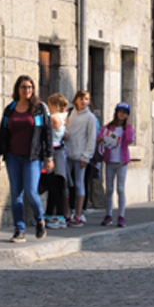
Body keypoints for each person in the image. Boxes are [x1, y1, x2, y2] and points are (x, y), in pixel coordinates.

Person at [0, 75, 54, 242]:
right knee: (16, 194)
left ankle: (40, 219)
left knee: (31, 191)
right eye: (23, 87)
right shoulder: (10, 109)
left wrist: (49, 156)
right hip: (12, 156)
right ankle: (19, 230)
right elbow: (2, 132)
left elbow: (47, 133)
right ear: (17, 89)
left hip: (32, 157)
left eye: (29, 87)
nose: (27, 90)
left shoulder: (39, 108)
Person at [98, 102, 134, 228]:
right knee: (109, 189)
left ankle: (121, 216)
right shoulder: (108, 127)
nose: (122, 114)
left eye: (125, 113)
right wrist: (102, 139)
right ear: (116, 113)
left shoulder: (127, 128)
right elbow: (99, 138)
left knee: (120, 189)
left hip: (122, 162)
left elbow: (129, 140)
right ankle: (108, 214)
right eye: (120, 112)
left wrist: (127, 126)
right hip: (110, 161)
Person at [65, 90, 97, 227]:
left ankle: (78, 214)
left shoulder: (90, 117)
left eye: (87, 99)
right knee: (66, 183)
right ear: (76, 100)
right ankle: (66, 213)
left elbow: (91, 139)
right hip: (67, 153)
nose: (84, 101)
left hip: (80, 156)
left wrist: (86, 156)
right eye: (81, 98)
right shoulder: (70, 114)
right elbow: (66, 129)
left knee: (79, 184)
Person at [44, 93, 69, 229]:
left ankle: (60, 216)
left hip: (55, 154)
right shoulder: (64, 117)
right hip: (57, 152)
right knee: (53, 186)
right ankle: (49, 214)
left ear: (54, 105)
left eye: (49, 104)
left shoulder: (54, 118)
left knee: (56, 186)